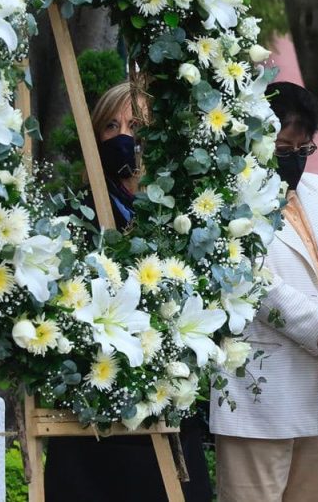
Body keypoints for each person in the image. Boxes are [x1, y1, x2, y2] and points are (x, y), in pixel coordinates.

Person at [45, 82, 213, 502]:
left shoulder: (181, 215)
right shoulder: (71, 214)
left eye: (137, 126)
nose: (124, 137)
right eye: (111, 126)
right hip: (90, 433)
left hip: (167, 422)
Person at [210, 81, 318, 502]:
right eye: (284, 149)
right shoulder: (228, 196)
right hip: (264, 382)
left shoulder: (317, 190)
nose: (295, 160)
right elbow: (250, 281)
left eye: (304, 150)